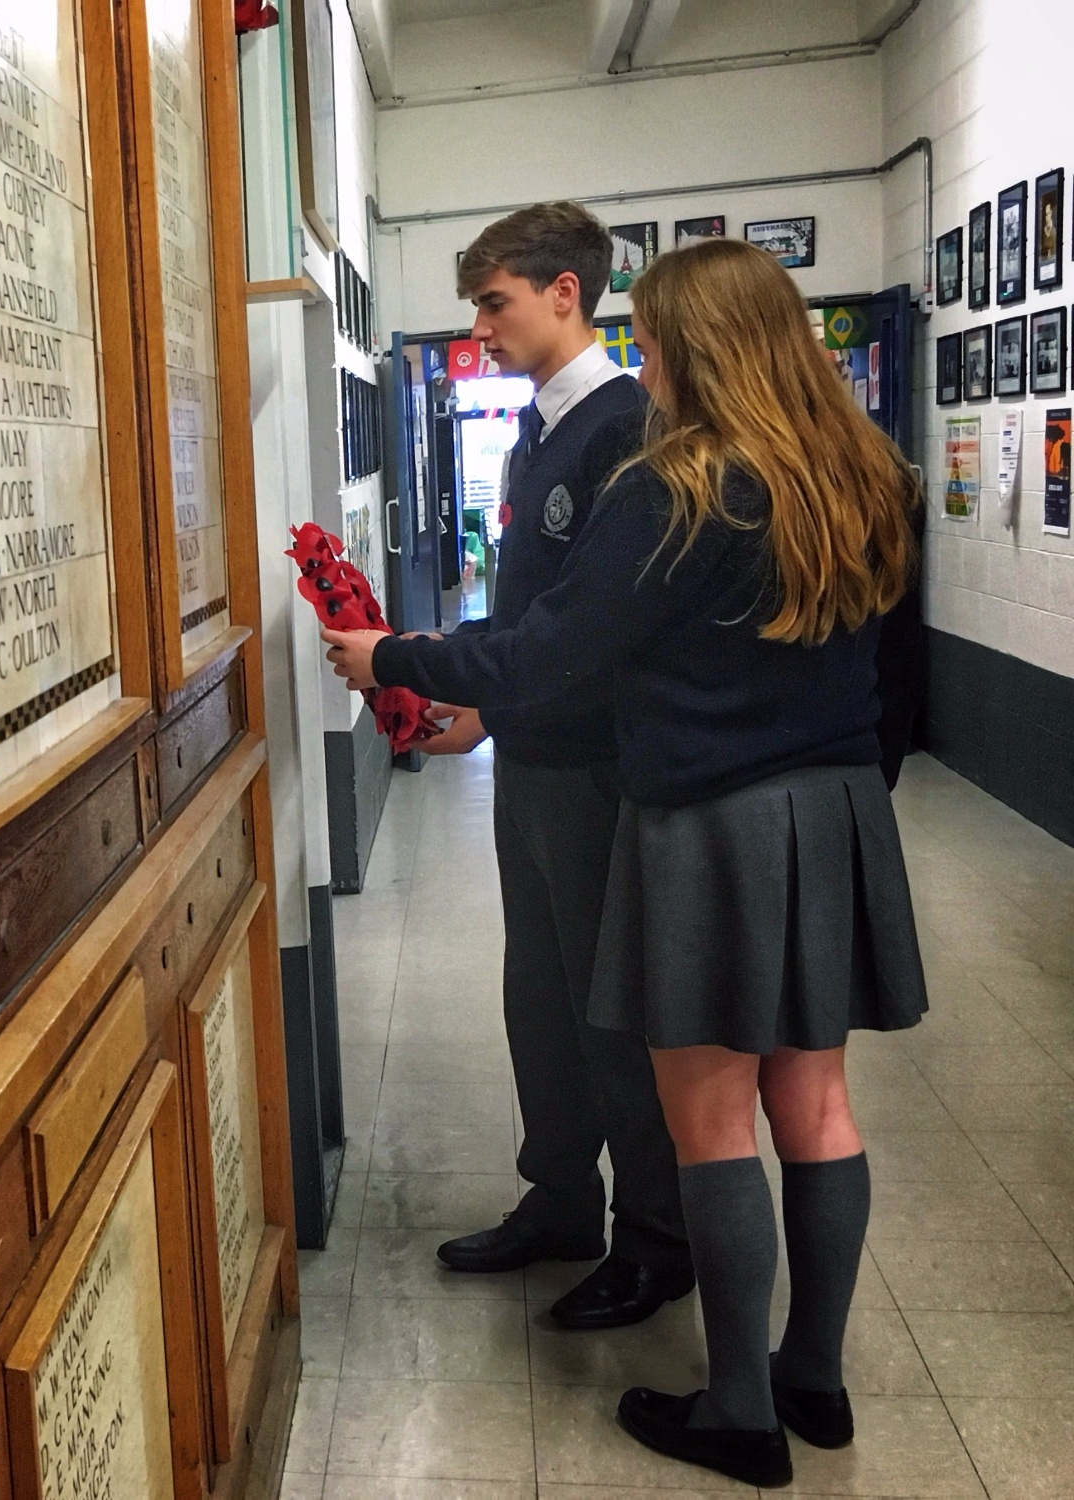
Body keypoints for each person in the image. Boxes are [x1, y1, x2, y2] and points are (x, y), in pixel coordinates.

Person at [323, 238, 928, 1489]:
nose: (641, 370)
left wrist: (393, 657)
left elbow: (548, 648)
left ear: (702, 351)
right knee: (815, 1107)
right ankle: (811, 1378)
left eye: (650, 347)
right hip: (833, 809)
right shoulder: (864, 472)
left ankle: (740, 1412)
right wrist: (842, 796)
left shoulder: (678, 486)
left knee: (707, 1119)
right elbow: (902, 680)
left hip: (707, 821)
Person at [419, 202, 693, 1334]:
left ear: (564, 293)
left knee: (607, 1012)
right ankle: (562, 1198)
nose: (479, 329)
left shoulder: (625, 431)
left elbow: (593, 635)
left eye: (494, 303)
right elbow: (536, 614)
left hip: (596, 775)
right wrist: (486, 712)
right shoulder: (538, 432)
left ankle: (656, 1239)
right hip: (530, 762)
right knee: (537, 997)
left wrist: (418, 659)